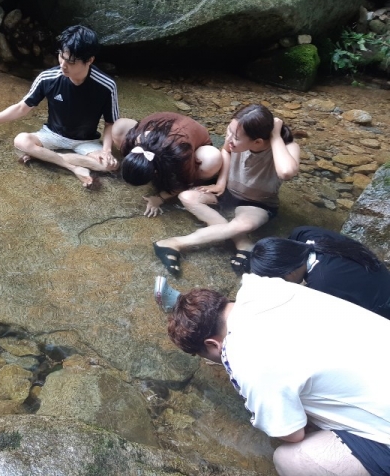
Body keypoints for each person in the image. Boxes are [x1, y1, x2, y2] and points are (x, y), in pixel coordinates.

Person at [167, 274, 390, 476]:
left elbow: (293, 433)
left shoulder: (246, 357)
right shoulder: (266, 288)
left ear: (212, 344)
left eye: (201, 354)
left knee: (290, 459)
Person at [153, 104, 300, 276]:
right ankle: (243, 243)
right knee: (187, 196)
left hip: (257, 204)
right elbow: (225, 151)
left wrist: (275, 135)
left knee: (245, 224)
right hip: (228, 193)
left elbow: (286, 172)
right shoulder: (234, 138)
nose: (229, 138)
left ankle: (174, 243)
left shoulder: (287, 147)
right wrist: (221, 183)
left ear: (258, 142)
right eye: (229, 130)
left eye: (235, 137)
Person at [0, 25, 119, 188]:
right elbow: (22, 107)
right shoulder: (48, 78)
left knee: (110, 165)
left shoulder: (106, 85)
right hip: (52, 135)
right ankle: (72, 166)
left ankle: (45, 156)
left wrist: (106, 150)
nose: (63, 65)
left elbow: (110, 122)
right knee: (21, 141)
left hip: (85, 141)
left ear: (90, 60)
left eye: (71, 62)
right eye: (61, 56)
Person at [250, 226, 390, 319]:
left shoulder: (321, 283)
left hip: (381, 306)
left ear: (290, 273)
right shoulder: (305, 234)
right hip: (379, 274)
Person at [111, 113, 223, 216]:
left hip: (194, 134)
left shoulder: (179, 154)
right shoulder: (136, 138)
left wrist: (159, 198)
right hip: (171, 123)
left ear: (155, 172)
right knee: (119, 126)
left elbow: (184, 183)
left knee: (211, 159)